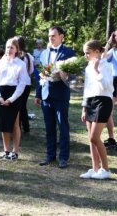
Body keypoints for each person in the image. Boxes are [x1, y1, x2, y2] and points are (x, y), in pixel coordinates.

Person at [35, 26, 76, 169]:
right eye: (49, 36)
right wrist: (38, 94)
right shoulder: (44, 53)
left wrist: (65, 75)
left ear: (61, 36)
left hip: (61, 94)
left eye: (53, 35)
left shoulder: (69, 52)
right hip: (46, 94)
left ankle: (63, 157)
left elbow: (74, 75)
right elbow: (40, 74)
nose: (51, 38)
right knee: (49, 128)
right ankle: (50, 155)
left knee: (62, 127)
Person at [80, 40, 113, 180]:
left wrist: (97, 71)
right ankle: (95, 169)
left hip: (103, 101)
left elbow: (108, 87)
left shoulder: (107, 66)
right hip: (90, 102)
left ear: (97, 52)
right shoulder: (88, 67)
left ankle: (105, 169)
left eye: (88, 53)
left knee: (95, 137)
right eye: (84, 53)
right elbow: (87, 88)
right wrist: (83, 107)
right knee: (91, 139)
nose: (86, 56)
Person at [0, 37, 29, 160]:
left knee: (14, 123)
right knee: (3, 123)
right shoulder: (0, 62)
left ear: (17, 49)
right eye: (7, 47)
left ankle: (15, 151)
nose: (9, 49)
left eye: (12, 47)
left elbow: (22, 84)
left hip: (15, 94)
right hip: (2, 94)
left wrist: (11, 99)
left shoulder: (21, 64)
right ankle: (6, 150)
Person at [15, 36, 34, 133]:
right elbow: (31, 71)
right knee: (23, 106)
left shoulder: (17, 56)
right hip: (27, 83)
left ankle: (18, 127)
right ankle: (26, 127)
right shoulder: (29, 56)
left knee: (18, 106)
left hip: (18, 83)